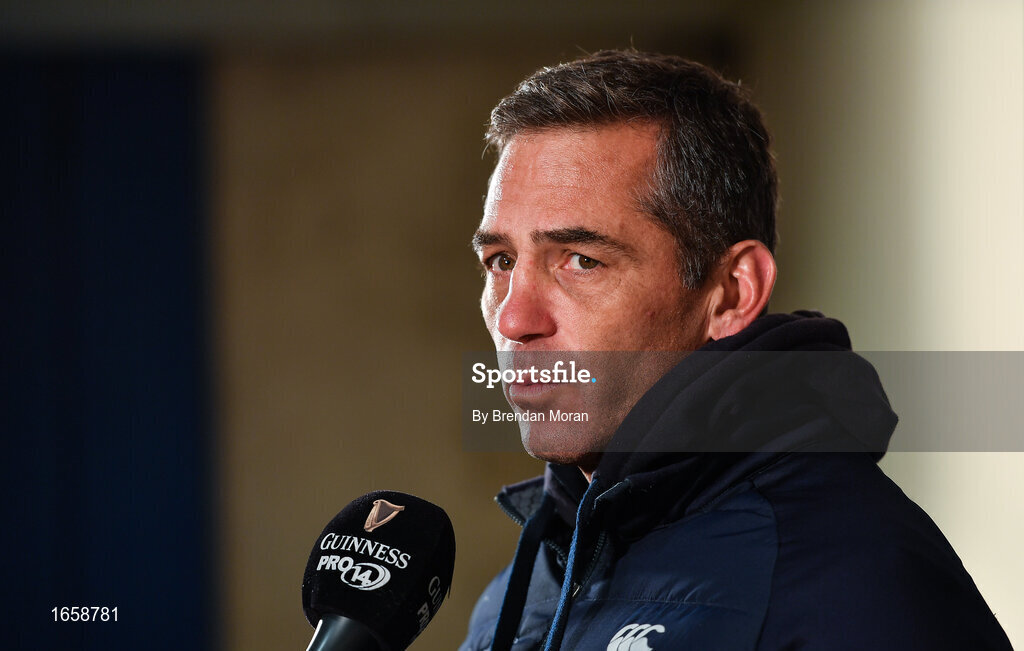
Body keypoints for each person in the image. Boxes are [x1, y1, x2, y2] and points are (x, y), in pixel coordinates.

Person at [460, 50, 1012, 650]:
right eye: (501, 261)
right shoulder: (517, 593)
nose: (514, 318)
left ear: (732, 292)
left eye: (581, 261)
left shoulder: (859, 581)